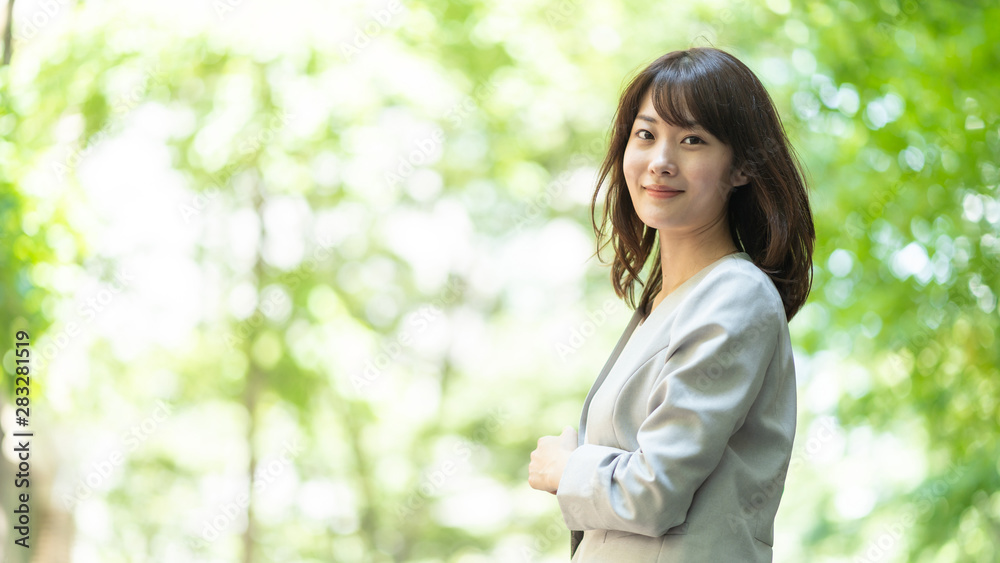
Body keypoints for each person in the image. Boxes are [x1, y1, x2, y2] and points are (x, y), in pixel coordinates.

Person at [527, 47, 815, 562]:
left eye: (692, 140)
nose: (661, 161)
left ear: (741, 167)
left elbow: (654, 490)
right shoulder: (663, 306)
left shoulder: (736, 296)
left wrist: (566, 468)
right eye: (646, 134)